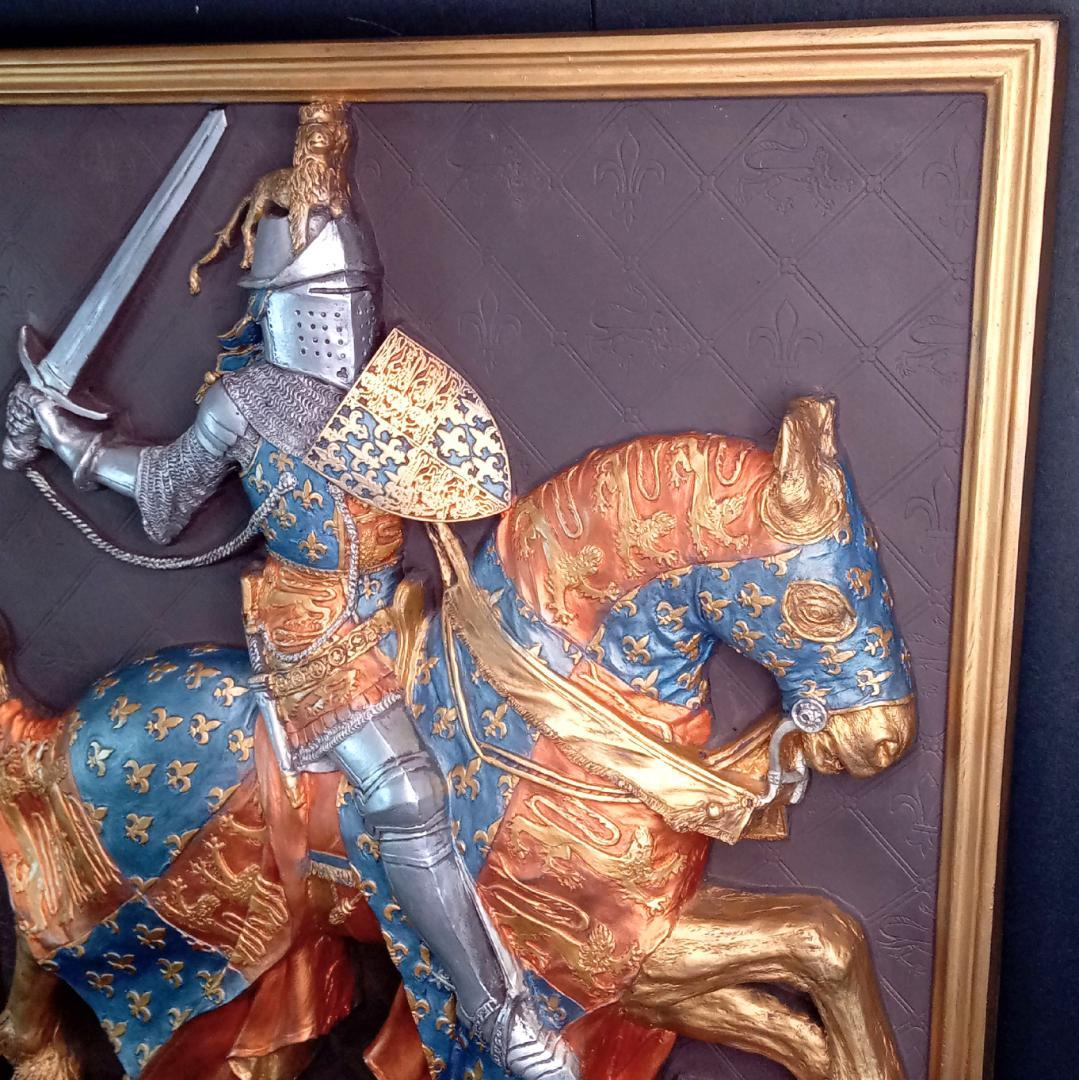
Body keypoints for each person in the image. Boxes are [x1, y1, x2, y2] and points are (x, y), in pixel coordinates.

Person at [3, 100, 578, 1080]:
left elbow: (457, 484)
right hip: (313, 632)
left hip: (399, 612)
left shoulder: (395, 390)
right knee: (407, 792)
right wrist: (71, 443)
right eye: (324, 298)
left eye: (353, 295)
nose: (338, 318)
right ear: (276, 304)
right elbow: (165, 497)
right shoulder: (244, 401)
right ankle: (500, 1021)